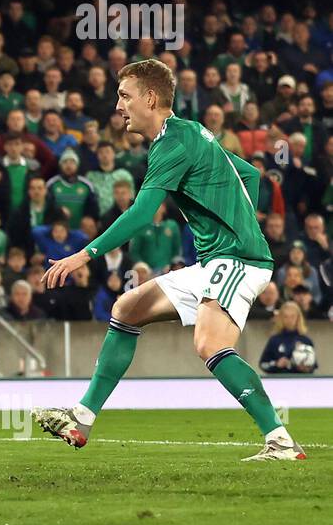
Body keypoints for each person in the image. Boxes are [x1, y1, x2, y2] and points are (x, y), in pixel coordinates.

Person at [35, 59, 303, 461]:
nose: (118, 105)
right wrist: (233, 215)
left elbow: (142, 214)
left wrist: (82, 255)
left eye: (124, 96)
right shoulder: (190, 132)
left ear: (151, 98)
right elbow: (248, 174)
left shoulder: (172, 143)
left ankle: (280, 442)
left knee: (209, 343)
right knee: (126, 308)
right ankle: (82, 418)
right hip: (218, 259)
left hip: (238, 259)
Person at [259, 301, 318, 374]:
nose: (289, 320)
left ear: (298, 318)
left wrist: (305, 368)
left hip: (301, 383)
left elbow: (314, 365)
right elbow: (263, 364)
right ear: (281, 318)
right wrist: (276, 364)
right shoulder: (274, 340)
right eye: (286, 316)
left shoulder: (306, 341)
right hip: (279, 382)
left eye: (292, 316)